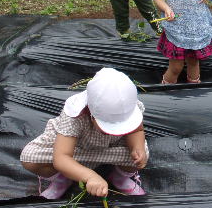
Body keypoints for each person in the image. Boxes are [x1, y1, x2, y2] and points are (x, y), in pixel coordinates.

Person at [20, 67, 149, 199]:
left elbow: (137, 130)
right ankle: (62, 178)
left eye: (122, 126)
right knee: (29, 158)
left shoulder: (130, 107)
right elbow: (61, 157)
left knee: (142, 153)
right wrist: (90, 177)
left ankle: (119, 177)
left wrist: (137, 147)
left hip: (110, 149)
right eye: (109, 126)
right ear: (91, 114)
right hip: (77, 149)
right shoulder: (74, 116)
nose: (117, 131)